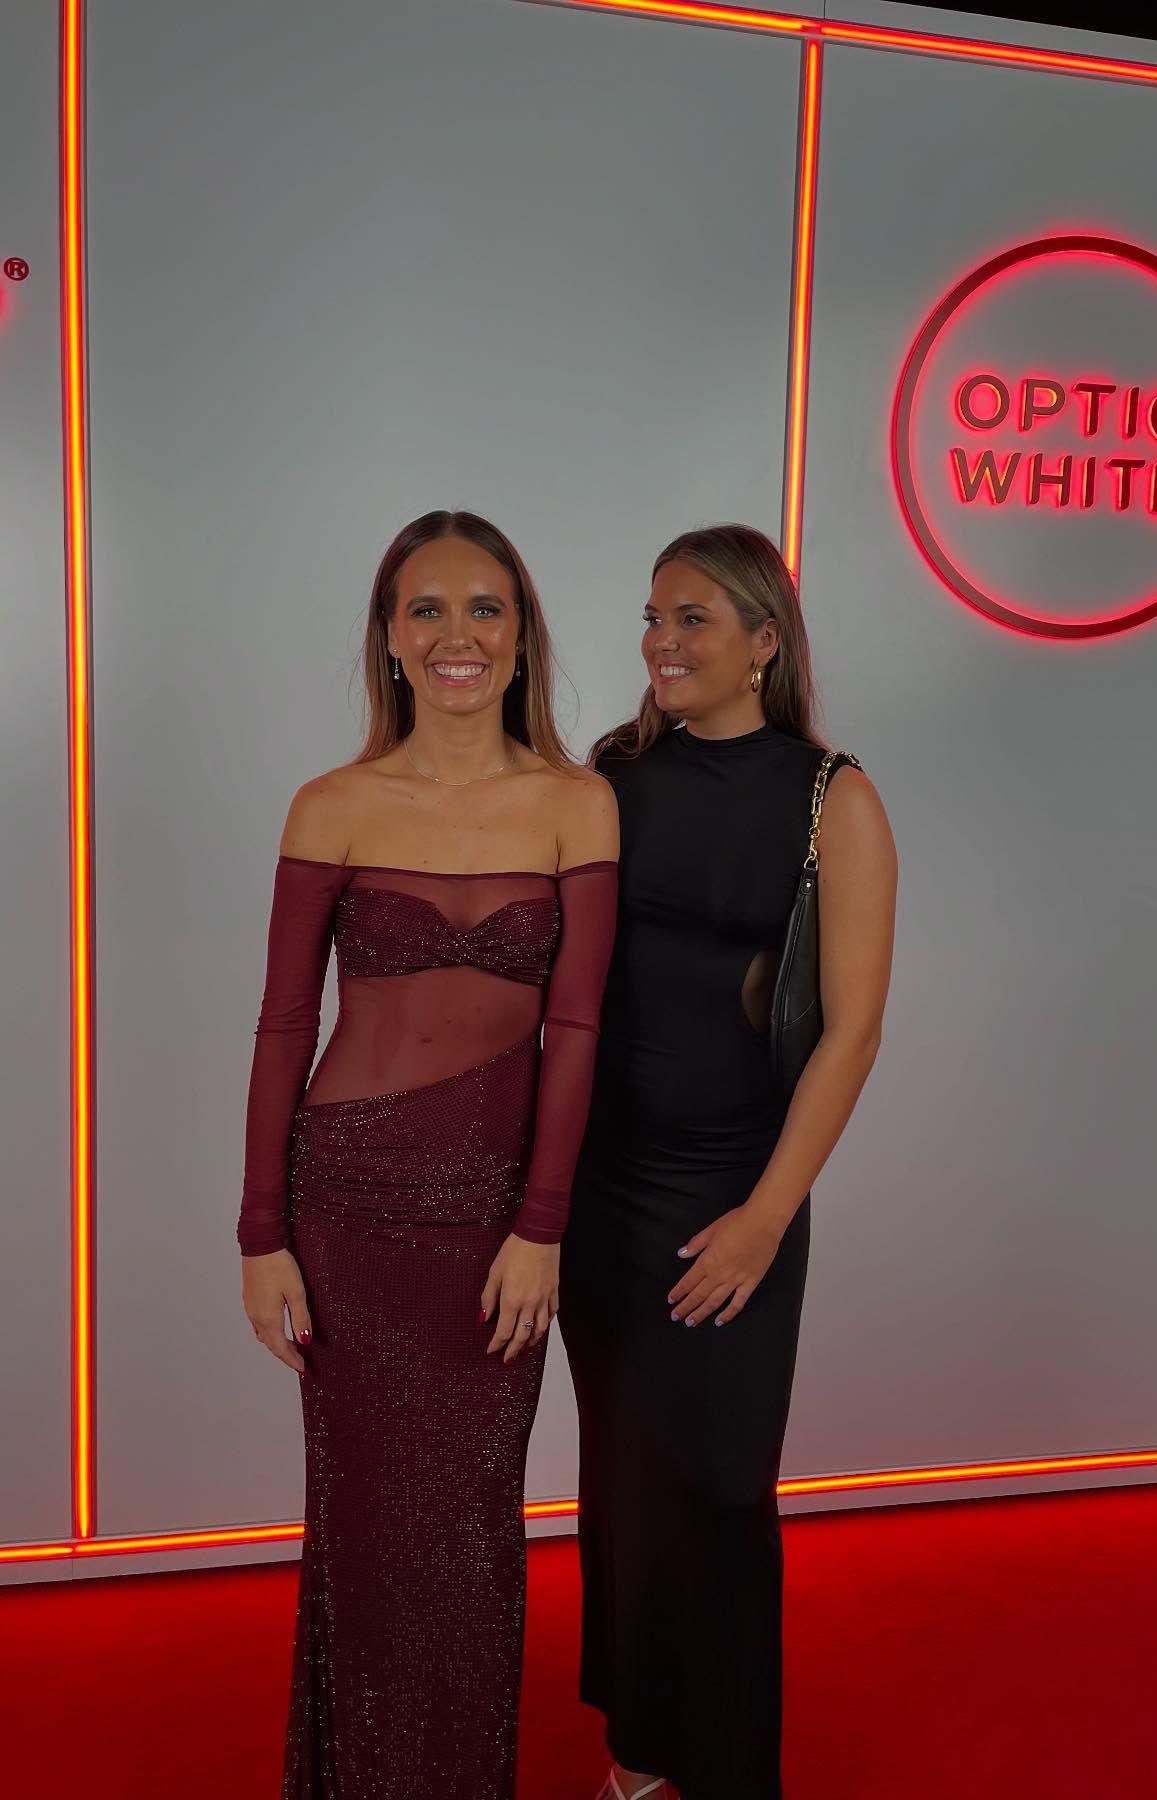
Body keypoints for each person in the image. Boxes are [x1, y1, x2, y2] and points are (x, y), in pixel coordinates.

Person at [238, 509, 618, 1800]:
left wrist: (543, 1225)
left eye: (485, 608)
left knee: (471, 1539)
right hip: (347, 1211)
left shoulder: (577, 804)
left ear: (521, 635)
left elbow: (576, 1029)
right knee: (362, 1530)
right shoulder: (333, 805)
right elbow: (283, 1026)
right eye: (429, 610)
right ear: (392, 638)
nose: (460, 635)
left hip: (494, 1225)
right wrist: (260, 1234)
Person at [561, 525, 897, 1800]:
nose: (661, 641)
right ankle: (642, 1757)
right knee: (625, 1484)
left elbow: (852, 1031)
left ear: (765, 642)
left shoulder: (834, 798)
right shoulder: (614, 774)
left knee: (720, 1485)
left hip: (733, 1191)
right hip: (603, 1189)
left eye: (692, 617)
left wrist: (765, 1217)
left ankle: (730, 1766)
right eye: (653, 617)